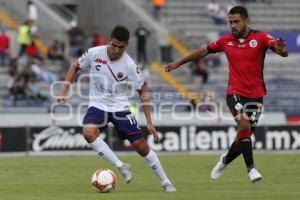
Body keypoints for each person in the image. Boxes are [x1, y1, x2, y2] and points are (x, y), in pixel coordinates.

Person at [165, 6, 288, 182]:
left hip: (256, 94)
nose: (233, 25)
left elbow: (279, 49)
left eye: (236, 21)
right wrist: (179, 63)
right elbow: (203, 51)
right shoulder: (225, 41)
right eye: (230, 22)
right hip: (234, 93)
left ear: (247, 21)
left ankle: (224, 161)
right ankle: (251, 169)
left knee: (242, 138)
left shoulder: (260, 37)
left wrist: (282, 50)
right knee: (244, 124)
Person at [57, 25, 176, 192]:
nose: (117, 50)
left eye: (121, 47)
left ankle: (166, 182)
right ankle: (121, 166)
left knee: (141, 147)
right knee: (88, 133)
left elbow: (143, 90)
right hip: (97, 105)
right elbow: (75, 66)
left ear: (126, 45)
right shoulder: (94, 53)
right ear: (109, 41)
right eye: (114, 45)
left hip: (120, 107)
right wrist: (64, 91)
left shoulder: (129, 65)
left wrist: (149, 121)